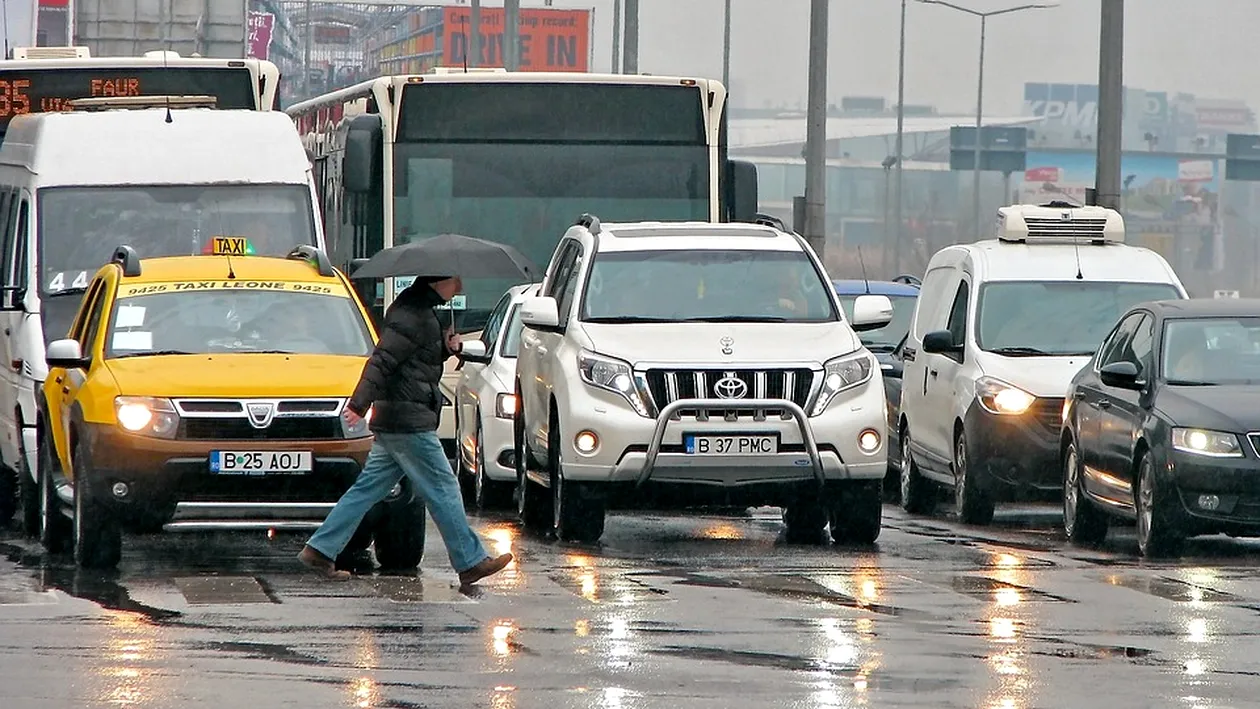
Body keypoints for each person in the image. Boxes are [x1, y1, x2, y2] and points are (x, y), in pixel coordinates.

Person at [298, 275, 513, 585]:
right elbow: (382, 361)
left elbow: (411, 360)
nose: (461, 288)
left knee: (367, 490)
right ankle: (470, 561)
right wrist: (358, 404)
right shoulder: (414, 315)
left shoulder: (417, 312)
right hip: (407, 420)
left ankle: (320, 549)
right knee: (444, 487)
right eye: (456, 281)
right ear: (439, 281)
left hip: (399, 417)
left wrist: (446, 348)